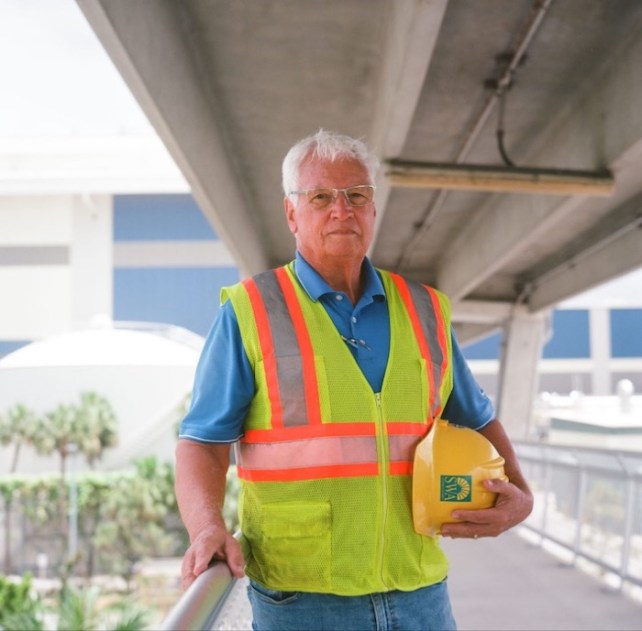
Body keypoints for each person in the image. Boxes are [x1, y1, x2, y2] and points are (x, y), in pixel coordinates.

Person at [175, 129, 533, 631]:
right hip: (303, 599)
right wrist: (207, 527)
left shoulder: (426, 310)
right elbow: (202, 442)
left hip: (419, 592)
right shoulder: (250, 312)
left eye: (357, 196)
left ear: (373, 210)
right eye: (321, 197)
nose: (341, 210)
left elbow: (476, 416)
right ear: (292, 214)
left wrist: (520, 490)